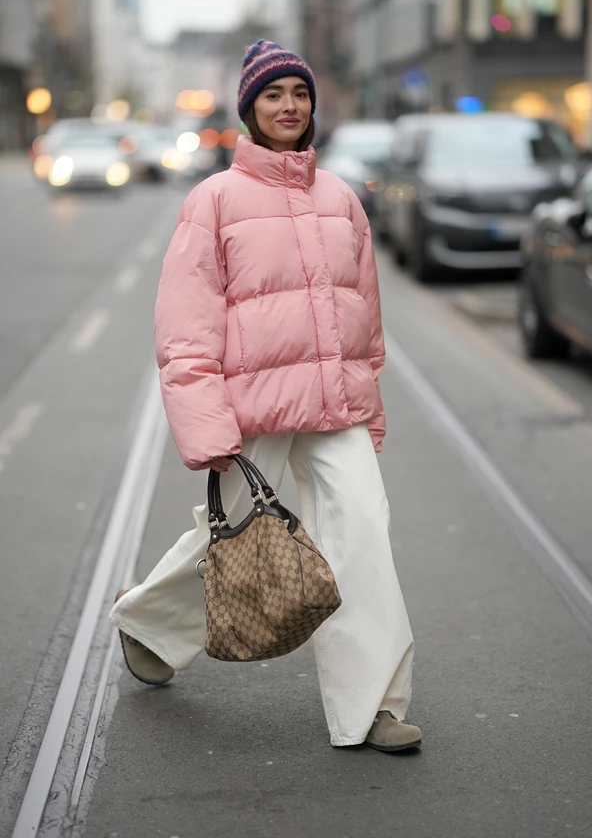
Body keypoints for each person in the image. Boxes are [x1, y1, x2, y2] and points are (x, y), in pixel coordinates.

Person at [110, 40, 421, 753]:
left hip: (335, 406)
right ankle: (150, 621)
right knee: (235, 537)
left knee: (365, 537)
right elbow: (185, 325)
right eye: (274, 95)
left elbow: (364, 316)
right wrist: (205, 425)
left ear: (314, 107)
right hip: (254, 406)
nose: (289, 107)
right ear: (250, 109)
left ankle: (371, 707)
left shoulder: (341, 198)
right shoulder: (214, 199)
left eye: (300, 94)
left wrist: (368, 404)